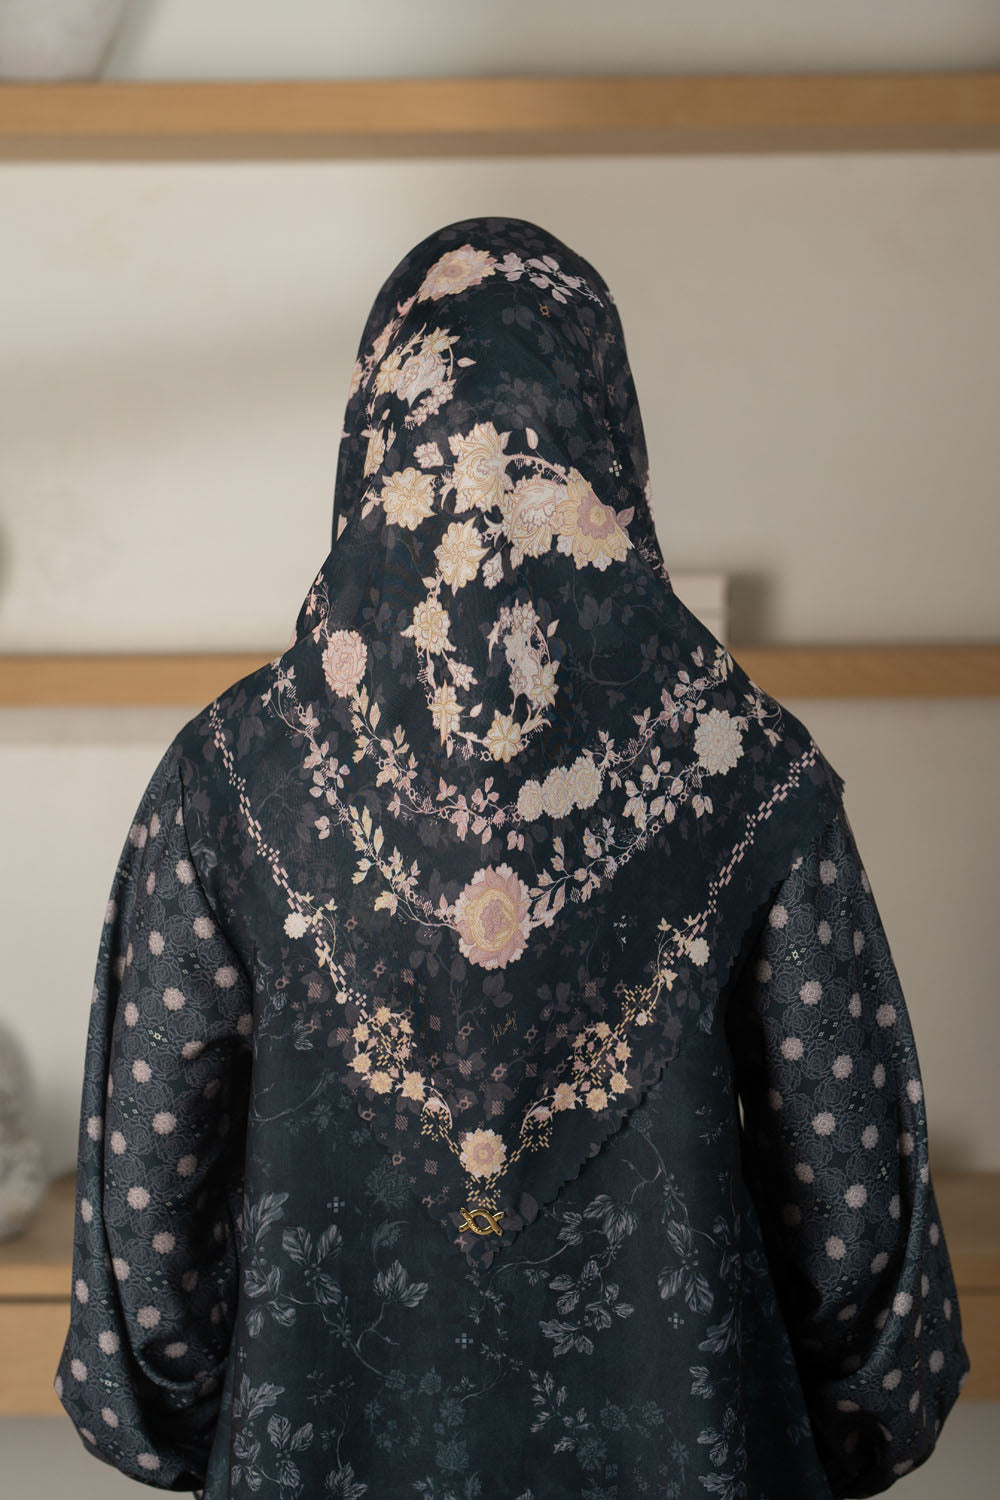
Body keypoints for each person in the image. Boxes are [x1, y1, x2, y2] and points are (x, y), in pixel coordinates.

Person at [53, 215, 970, 1498]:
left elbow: (150, 1229)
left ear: (375, 438)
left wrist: (209, 1421)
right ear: (606, 441)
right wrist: (851, 1423)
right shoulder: (751, 769)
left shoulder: (226, 781)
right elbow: (854, 1208)